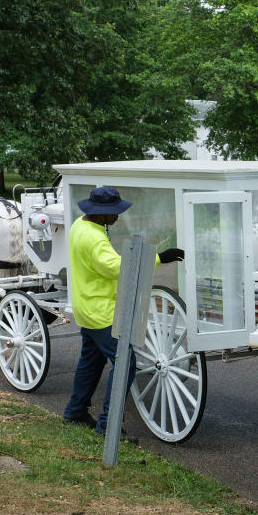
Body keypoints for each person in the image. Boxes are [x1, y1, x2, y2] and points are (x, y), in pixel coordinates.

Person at [63, 187, 184, 440]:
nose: (118, 217)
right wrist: (160, 257)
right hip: (101, 312)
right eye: (114, 213)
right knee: (124, 362)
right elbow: (118, 267)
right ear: (103, 215)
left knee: (90, 362)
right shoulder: (95, 239)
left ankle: (75, 412)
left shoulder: (79, 225)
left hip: (86, 307)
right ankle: (108, 425)